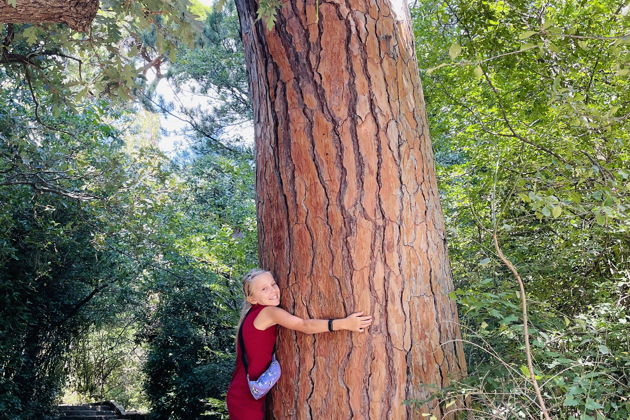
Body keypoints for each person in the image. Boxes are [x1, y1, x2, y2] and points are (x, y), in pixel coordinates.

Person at [226, 268, 373, 420]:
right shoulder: (269, 312)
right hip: (245, 398)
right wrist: (345, 323)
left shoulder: (253, 314)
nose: (273, 291)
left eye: (273, 284)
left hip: (245, 393)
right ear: (252, 299)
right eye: (264, 289)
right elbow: (304, 325)